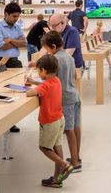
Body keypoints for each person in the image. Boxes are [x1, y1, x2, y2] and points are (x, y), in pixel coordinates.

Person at [33, 31, 82, 173]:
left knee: (68, 130)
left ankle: (74, 162)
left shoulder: (55, 60)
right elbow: (73, 75)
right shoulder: (69, 57)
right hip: (74, 95)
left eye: (47, 49)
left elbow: (50, 79)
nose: (47, 52)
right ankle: (76, 157)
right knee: (76, 127)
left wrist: (35, 82)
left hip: (65, 99)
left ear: (53, 46)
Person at [26, 55, 74, 188]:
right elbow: (45, 85)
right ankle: (56, 178)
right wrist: (34, 82)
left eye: (39, 71)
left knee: (44, 147)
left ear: (44, 70)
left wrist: (29, 87)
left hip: (49, 121)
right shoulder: (56, 80)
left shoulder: (45, 85)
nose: (38, 74)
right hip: (60, 119)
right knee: (57, 146)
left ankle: (65, 165)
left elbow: (30, 93)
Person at [0, 2, 26, 133]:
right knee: (0, 92)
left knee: (15, 92)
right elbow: (1, 46)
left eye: (17, 16)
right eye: (14, 16)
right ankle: (0, 122)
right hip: (0, 63)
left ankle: (11, 122)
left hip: (15, 62)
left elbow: (24, 43)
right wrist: (15, 42)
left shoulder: (17, 27)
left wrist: (9, 40)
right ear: (6, 14)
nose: (16, 19)